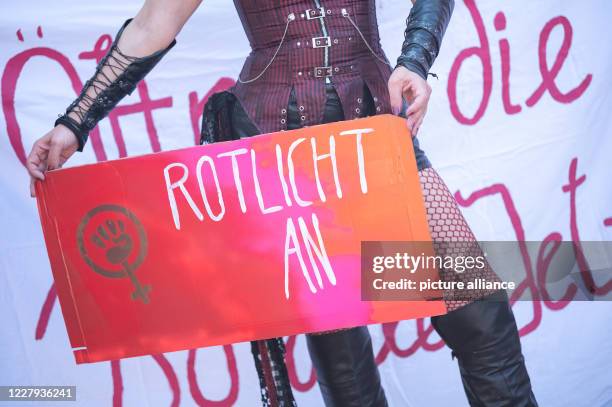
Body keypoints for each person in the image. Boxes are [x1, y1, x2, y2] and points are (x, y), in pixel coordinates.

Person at [26, 0, 538, 406]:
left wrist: (414, 60)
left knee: (480, 314)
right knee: (341, 351)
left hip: (377, 131)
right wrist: (76, 122)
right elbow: (152, 23)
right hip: (279, 148)